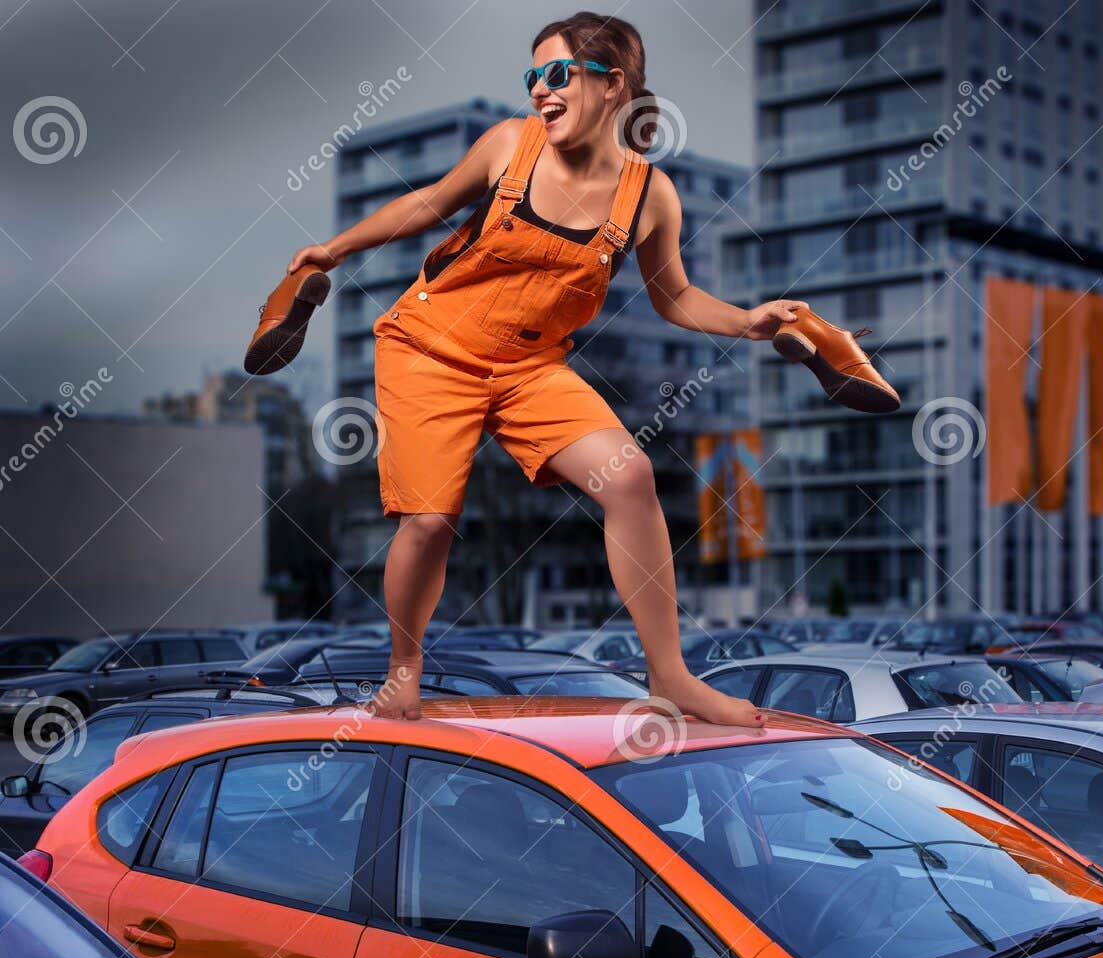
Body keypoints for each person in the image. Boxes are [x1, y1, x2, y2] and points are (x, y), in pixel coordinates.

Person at [286, 12, 799, 724]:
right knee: (430, 522)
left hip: (528, 367)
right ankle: (404, 670)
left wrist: (748, 321)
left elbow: (675, 297)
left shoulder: (650, 196)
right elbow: (430, 203)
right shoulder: (508, 147)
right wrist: (334, 250)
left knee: (631, 476)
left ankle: (671, 676)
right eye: (532, 78)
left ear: (611, 84)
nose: (540, 91)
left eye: (557, 74)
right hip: (431, 350)